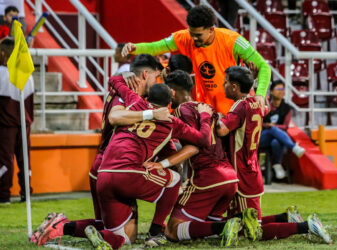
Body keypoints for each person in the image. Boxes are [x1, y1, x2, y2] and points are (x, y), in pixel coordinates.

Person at [33, 54, 172, 245]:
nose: (157, 83)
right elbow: (115, 118)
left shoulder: (128, 93)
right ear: (145, 74)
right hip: (111, 165)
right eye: (155, 77)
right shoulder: (124, 96)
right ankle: (62, 226)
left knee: (110, 227)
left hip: (109, 165)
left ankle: (60, 226)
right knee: (122, 239)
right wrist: (151, 114)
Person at [91, 80, 214, 249]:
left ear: (148, 97)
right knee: (175, 179)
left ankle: (75, 229)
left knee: (122, 238)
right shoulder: (171, 122)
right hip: (128, 174)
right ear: (169, 104)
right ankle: (155, 232)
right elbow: (204, 140)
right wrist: (205, 116)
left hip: (103, 174)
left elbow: (114, 80)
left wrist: (128, 77)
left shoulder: (134, 100)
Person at [216, 66, 332, 244]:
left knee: (253, 230)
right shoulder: (257, 101)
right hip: (250, 167)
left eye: (225, 82)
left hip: (242, 171)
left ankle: (307, 226)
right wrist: (252, 82)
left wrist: (214, 117)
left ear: (234, 87)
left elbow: (222, 130)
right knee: (240, 222)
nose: (222, 85)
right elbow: (266, 109)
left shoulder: (239, 107)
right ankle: (286, 217)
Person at [144, 70, 241, 247]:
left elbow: (194, 147)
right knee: (203, 229)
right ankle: (225, 226)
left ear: (172, 91)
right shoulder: (208, 108)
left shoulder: (182, 110)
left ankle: (225, 226)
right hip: (230, 178)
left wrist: (162, 164)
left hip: (208, 178)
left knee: (172, 230)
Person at [121, 5, 271, 114]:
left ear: (211, 29)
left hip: (233, 111)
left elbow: (264, 67)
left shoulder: (233, 41)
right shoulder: (185, 37)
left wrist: (260, 95)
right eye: (191, 33)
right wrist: (136, 47)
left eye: (198, 35)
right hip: (206, 111)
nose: (193, 38)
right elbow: (156, 47)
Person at [0, 39, 34, 204]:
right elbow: (31, 103)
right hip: (24, 123)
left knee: (4, 160)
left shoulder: (0, 73)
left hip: (5, 125)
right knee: (24, 160)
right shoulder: (27, 74)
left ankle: (3, 194)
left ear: (3, 53)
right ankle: (26, 193)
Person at [260, 80, 305, 180]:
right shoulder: (265, 104)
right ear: (271, 91)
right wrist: (268, 125)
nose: (281, 91)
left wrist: (274, 126)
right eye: (278, 89)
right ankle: (293, 147)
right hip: (262, 136)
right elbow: (257, 122)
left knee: (276, 141)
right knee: (272, 129)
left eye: (282, 89)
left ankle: (277, 165)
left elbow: (285, 126)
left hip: (276, 138)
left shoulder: (286, 108)